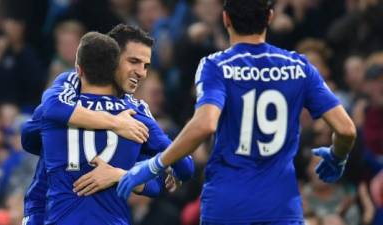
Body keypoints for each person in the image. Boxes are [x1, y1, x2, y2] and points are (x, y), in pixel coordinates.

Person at [116, 0, 357, 224]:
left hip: (227, 203)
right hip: (280, 205)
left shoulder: (216, 66)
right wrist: (338, 157)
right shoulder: (299, 66)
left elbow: (205, 124)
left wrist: (154, 165)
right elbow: (346, 129)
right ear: (270, 17)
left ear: (226, 19)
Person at [22, 25, 193, 225]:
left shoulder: (63, 101)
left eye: (146, 65)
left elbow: (28, 136)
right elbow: (182, 168)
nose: (141, 73)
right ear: (114, 59)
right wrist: (115, 123)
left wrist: (120, 175)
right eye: (134, 61)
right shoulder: (135, 115)